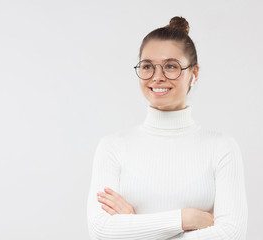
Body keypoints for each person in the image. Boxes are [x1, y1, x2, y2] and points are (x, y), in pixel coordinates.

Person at [86, 16, 248, 240]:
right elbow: (101, 231)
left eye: (171, 66)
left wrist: (134, 225)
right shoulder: (113, 147)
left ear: (195, 73)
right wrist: (185, 219)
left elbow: (231, 233)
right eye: (148, 66)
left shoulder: (221, 147)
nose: (157, 77)